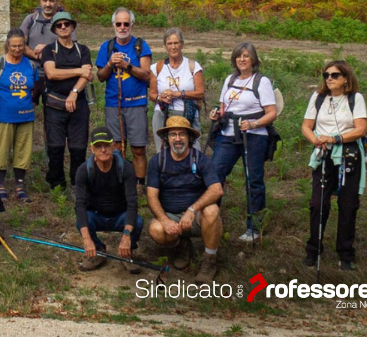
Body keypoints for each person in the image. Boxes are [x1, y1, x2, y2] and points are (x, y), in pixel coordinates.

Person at [301, 60, 367, 271]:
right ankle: (313, 249)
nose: (329, 78)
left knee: (348, 205)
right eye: (326, 75)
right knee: (318, 203)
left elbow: (361, 129)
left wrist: (335, 139)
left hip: (348, 153)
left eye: (334, 75)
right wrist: (315, 140)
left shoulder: (355, 98)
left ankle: (345, 253)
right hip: (323, 153)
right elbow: (306, 126)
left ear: (346, 78)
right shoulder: (318, 97)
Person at [209, 42, 277, 244]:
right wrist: (216, 114)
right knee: (214, 174)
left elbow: (271, 113)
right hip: (228, 134)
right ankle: (210, 219)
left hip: (254, 136)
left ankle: (254, 227)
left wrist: (254, 123)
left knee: (253, 180)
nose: (242, 59)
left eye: (246, 56)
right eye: (239, 56)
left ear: (253, 59)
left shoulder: (261, 81)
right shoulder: (230, 80)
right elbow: (223, 107)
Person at [147, 117, 224, 282]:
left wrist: (192, 210)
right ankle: (181, 245)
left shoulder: (201, 159)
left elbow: (216, 189)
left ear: (189, 137)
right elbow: (151, 195)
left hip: (196, 216)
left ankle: (209, 259)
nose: (177, 139)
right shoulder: (158, 161)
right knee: (155, 230)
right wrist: (165, 220)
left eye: (182, 134)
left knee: (212, 210)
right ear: (167, 138)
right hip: (170, 215)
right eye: (173, 134)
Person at [95, 7, 152, 184]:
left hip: (136, 103)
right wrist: (110, 64)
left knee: (138, 149)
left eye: (126, 24)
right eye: (118, 24)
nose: (122, 27)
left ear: (132, 24)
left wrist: (126, 65)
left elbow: (146, 75)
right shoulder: (107, 47)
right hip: (114, 104)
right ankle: (120, 183)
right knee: (116, 148)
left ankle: (139, 184)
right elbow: (100, 77)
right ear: (113, 25)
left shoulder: (140, 46)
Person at [0, 29, 38, 204]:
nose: (17, 49)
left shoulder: (30, 65)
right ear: (7, 45)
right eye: (13, 46)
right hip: (3, 116)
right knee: (2, 151)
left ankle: (20, 186)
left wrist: (32, 103)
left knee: (23, 151)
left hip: (26, 116)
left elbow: (35, 86)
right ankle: (0, 186)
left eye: (20, 45)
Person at [74, 127, 142, 273]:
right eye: (98, 146)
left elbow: (132, 203)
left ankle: (127, 252)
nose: (103, 150)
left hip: (121, 215)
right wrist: (87, 240)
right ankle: (98, 250)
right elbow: (79, 205)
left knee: (137, 222)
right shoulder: (83, 170)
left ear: (113, 146)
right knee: (82, 220)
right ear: (92, 149)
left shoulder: (126, 168)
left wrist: (126, 236)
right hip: (96, 214)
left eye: (106, 145)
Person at [42, 11, 93, 190]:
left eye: (66, 24)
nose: (63, 27)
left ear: (72, 27)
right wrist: (78, 70)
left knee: (78, 147)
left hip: (78, 104)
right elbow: (51, 73)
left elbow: (87, 75)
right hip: (55, 105)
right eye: (59, 25)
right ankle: (56, 183)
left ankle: (77, 182)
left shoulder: (83, 50)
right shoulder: (49, 50)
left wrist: (74, 92)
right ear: (55, 29)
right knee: (55, 146)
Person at [148, 29, 205, 153]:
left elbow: (200, 93)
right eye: (169, 43)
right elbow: (152, 94)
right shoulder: (157, 68)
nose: (173, 47)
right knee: (163, 151)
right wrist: (160, 98)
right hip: (162, 114)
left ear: (182, 45)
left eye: (176, 43)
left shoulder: (193, 66)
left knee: (193, 150)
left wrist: (178, 94)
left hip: (188, 114)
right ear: (165, 46)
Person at [18, 0, 61, 67]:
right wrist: (35, 55)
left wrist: (48, 49)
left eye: (51, 1)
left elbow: (71, 47)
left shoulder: (64, 22)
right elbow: (19, 43)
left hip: (57, 67)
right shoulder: (31, 19)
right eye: (45, 0)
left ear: (57, 2)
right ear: (40, 1)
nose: (48, 4)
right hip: (31, 68)